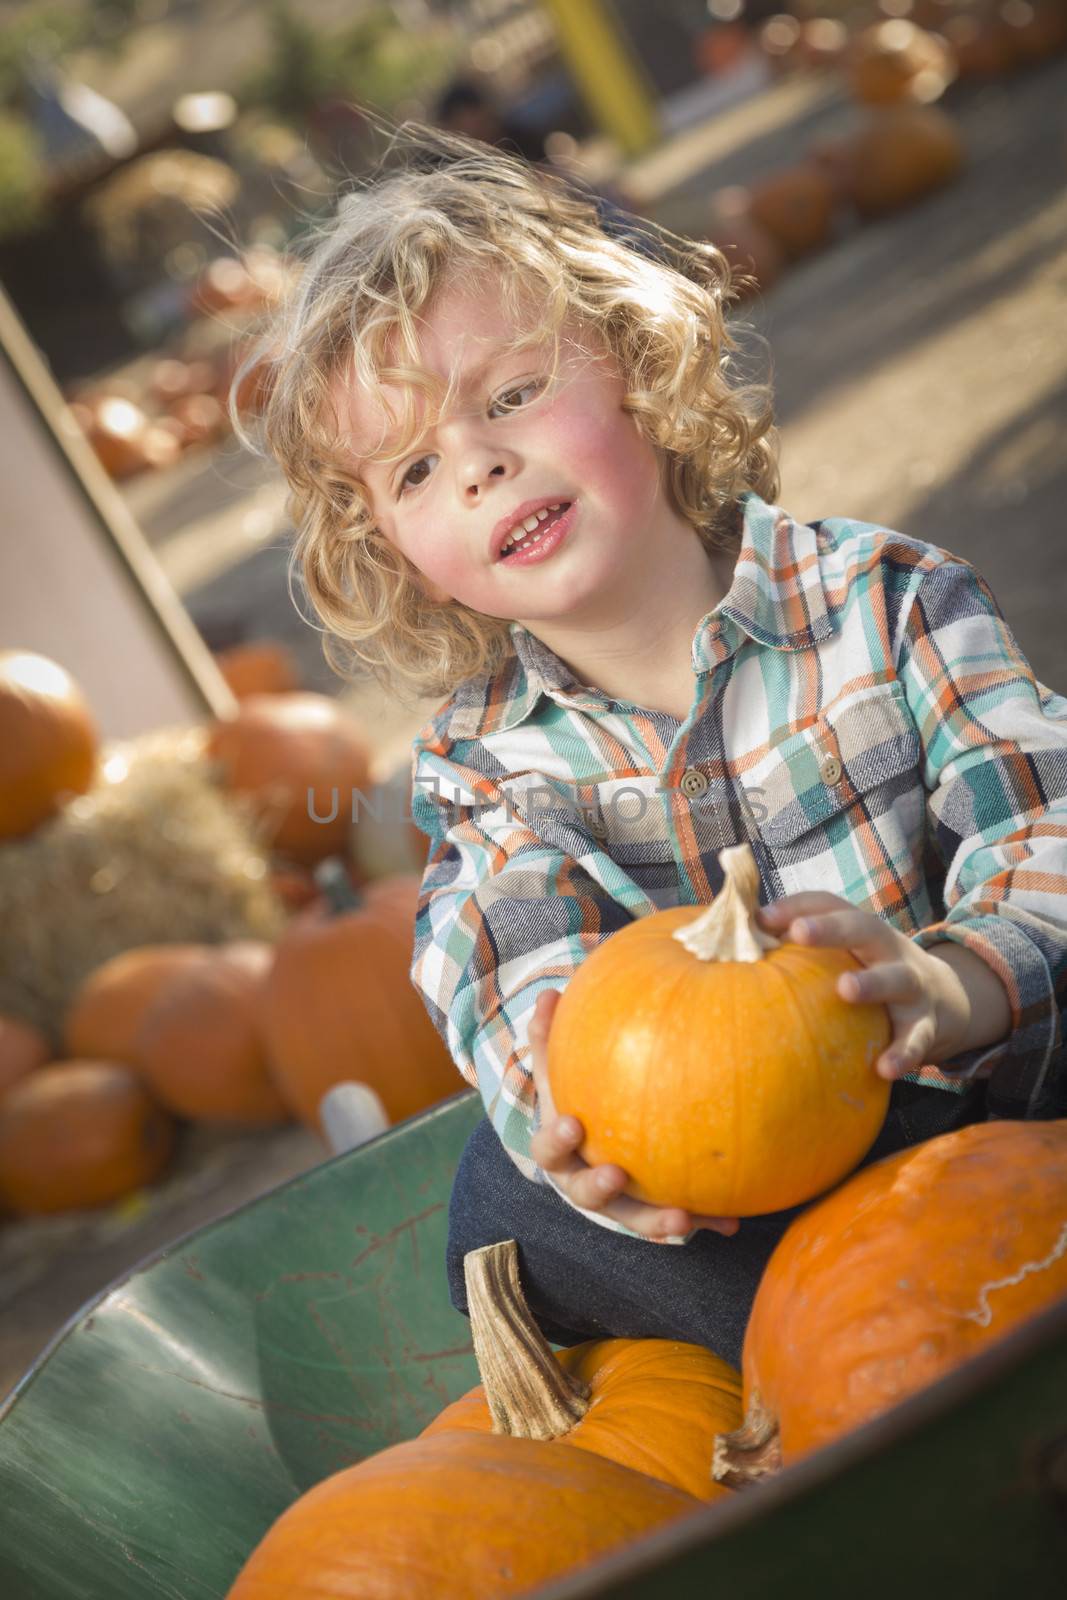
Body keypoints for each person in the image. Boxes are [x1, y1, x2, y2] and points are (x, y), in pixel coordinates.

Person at [247, 130, 1067, 1369]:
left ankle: (919, 1327)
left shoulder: (880, 598)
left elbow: (1038, 815)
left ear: (633, 361)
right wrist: (583, 1146)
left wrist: (952, 982)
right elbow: (505, 971)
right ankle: (862, 1355)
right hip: (759, 1210)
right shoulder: (488, 767)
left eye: (508, 396)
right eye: (415, 468)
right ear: (393, 549)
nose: (476, 464)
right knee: (498, 1206)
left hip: (1000, 1098)